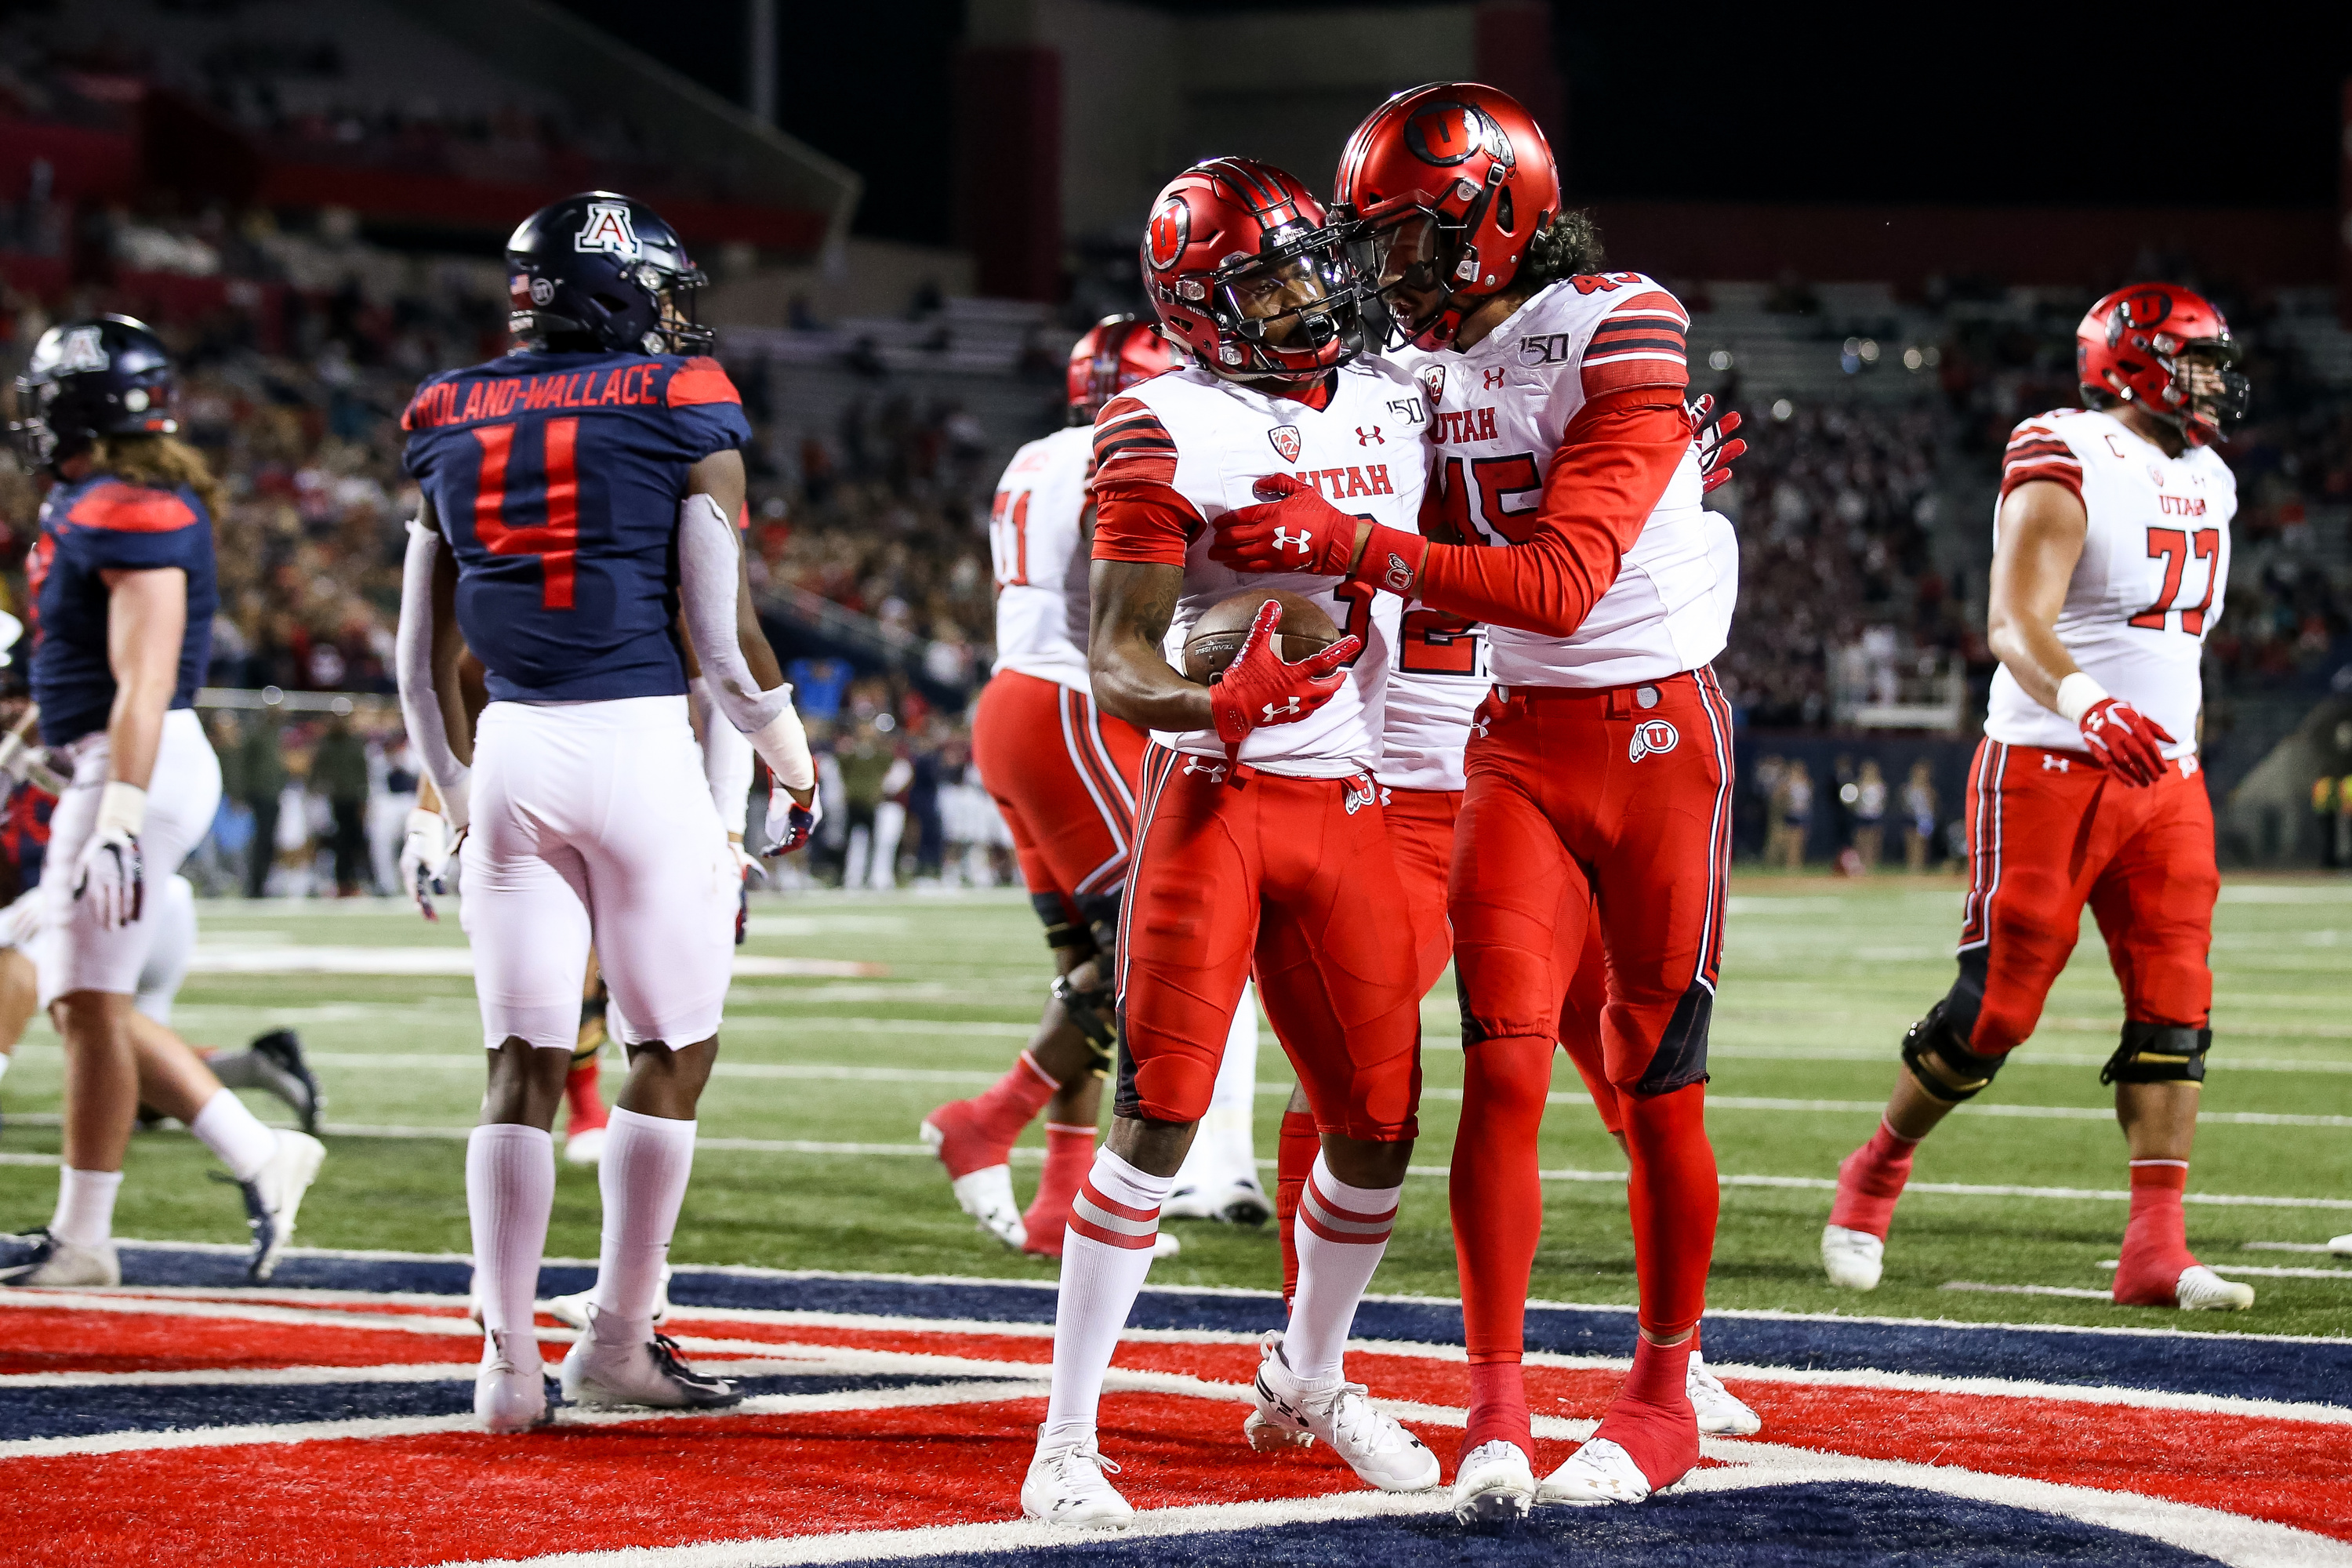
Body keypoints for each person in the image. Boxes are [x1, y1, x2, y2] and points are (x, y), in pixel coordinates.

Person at [1212, 83, 1742, 1516]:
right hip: (1514, 744)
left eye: (1404, 242)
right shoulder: (1423, 374)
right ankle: (1496, 1412)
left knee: (1654, 1084)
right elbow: (1435, 526)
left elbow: (1566, 586)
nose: (1383, 277)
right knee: (1504, 1068)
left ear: (1495, 211)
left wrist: (1355, 540)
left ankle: (1657, 1396)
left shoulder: (1620, 319)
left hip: (1653, 745)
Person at [1022, 158, 1439, 1529]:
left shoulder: (1393, 392)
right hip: (1220, 800)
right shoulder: (1160, 426)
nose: (1309, 291)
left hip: (1358, 800)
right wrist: (1222, 697)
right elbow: (1119, 662)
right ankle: (1067, 1437)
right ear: (1200, 306)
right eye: (1268, 277)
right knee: (1160, 1118)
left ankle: (1307, 1374)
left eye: (1313, 261)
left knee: (1378, 1123)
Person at [395, 190, 818, 1432]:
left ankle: (504, 1371)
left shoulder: (443, 410)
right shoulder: (681, 402)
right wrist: (792, 758)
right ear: (615, 293)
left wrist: (460, 795)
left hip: (514, 752)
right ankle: (619, 1342)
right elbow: (726, 645)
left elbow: (421, 658)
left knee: (517, 1067)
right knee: (669, 1054)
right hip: (638, 749)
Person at [1822, 282, 2252, 1314]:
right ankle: (1875, 1170)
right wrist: (2093, 703)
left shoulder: (2217, 479)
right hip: (2053, 765)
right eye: (2195, 361)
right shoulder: (2069, 453)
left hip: (2166, 779)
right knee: (1997, 1013)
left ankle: (2155, 1248)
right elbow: (2014, 622)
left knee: (2176, 1007)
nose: (2215, 383)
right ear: (2137, 361)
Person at [0, 316, 323, 1288]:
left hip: (139, 762)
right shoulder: (97, 500)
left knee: (81, 995)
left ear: (83, 411)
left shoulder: (131, 508)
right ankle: (88, 1233)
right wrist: (32, 741)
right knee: (83, 1001)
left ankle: (250, 1152)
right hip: (110, 753)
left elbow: (145, 680)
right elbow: (90, 666)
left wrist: (122, 811)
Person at [925, 318, 1199, 1259]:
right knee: (1161, 937)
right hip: (1072, 704)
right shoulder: (1117, 452)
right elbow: (1136, 582)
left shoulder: (1035, 450)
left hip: (1019, 701)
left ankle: (1056, 1202)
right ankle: (988, 1118)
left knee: (1093, 960)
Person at [310, 713, 371, 895]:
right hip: (336, 799)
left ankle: (355, 880)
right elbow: (317, 770)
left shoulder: (354, 743)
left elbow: (363, 773)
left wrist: (364, 799)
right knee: (340, 841)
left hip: (353, 798)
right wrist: (315, 791)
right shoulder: (327, 744)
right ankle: (342, 882)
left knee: (355, 841)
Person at [1903, 759, 1939, 873]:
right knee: (1910, 842)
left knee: (1921, 842)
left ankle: (1919, 865)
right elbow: (1905, 804)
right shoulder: (1908, 787)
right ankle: (1911, 864)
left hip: (1924, 818)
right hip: (1911, 817)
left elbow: (1932, 805)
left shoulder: (1929, 789)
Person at [1852, 758, 1887, 872]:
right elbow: (1854, 801)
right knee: (1861, 839)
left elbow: (1883, 802)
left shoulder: (1880, 785)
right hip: (1862, 815)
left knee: (1874, 840)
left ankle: (1872, 862)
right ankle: (1860, 862)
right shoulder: (1859, 784)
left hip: (1875, 815)